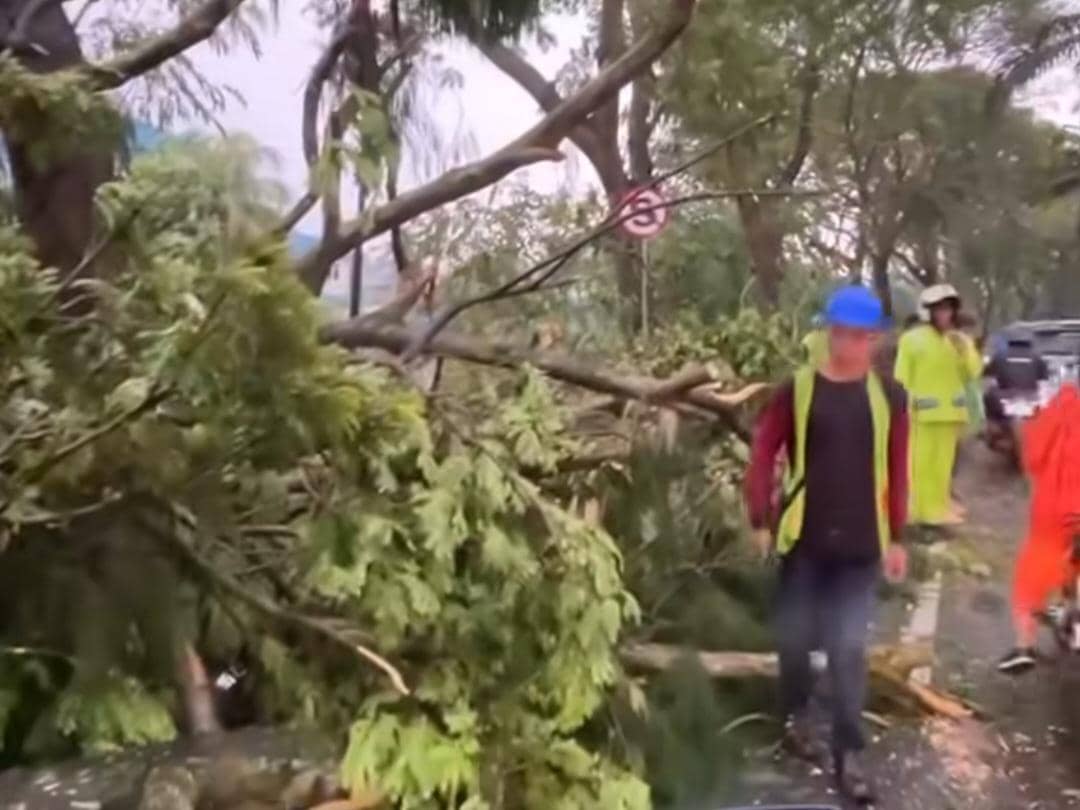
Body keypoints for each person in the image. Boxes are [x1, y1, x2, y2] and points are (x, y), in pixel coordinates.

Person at [745, 285, 909, 803]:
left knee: (848, 648)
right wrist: (760, 516)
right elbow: (764, 448)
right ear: (827, 333)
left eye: (858, 337)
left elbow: (898, 468)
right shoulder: (797, 389)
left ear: (875, 339)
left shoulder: (891, 396)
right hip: (805, 542)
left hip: (862, 545)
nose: (848, 345)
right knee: (794, 641)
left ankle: (850, 754)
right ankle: (794, 717)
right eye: (839, 334)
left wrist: (899, 536)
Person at [999, 383, 1080, 673]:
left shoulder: (1064, 403)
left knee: (1033, 573)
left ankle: (1024, 645)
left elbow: (1034, 454)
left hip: (1057, 508)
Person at [894, 284, 982, 527]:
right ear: (928, 312)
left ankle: (938, 509)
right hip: (921, 414)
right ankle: (917, 512)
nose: (946, 315)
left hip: (952, 413)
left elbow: (973, 374)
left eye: (949, 309)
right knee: (919, 464)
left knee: (943, 467)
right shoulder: (911, 340)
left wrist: (965, 350)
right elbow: (901, 377)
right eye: (940, 309)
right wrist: (903, 409)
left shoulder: (959, 340)